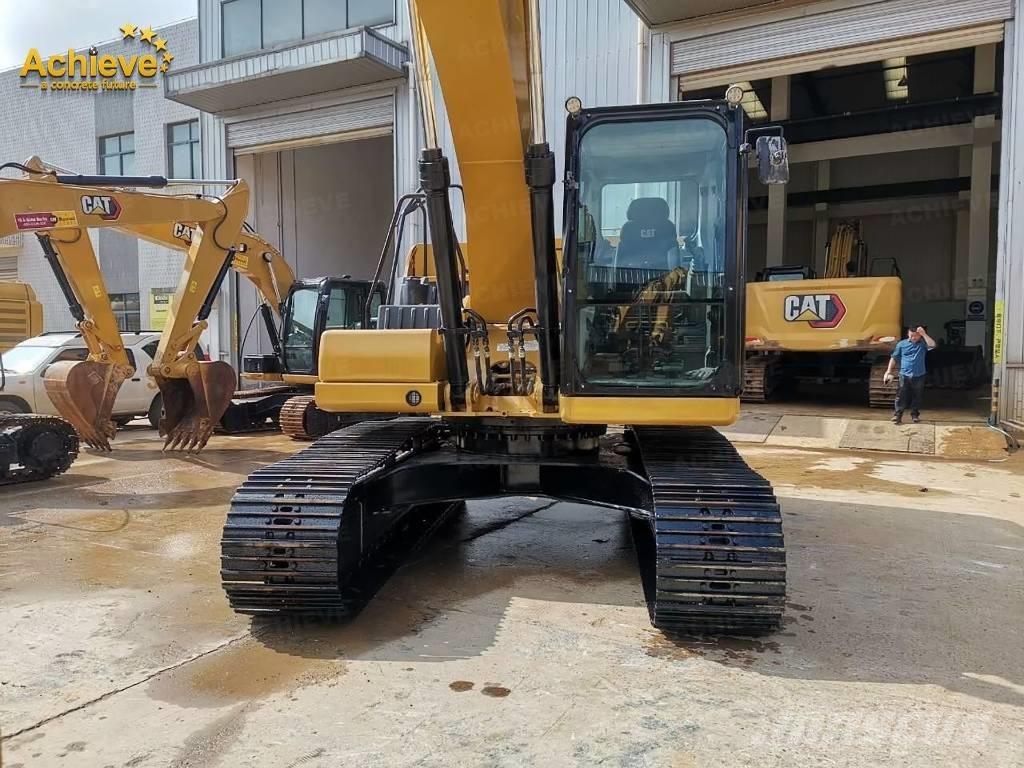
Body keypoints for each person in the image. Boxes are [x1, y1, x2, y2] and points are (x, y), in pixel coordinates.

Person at [883, 325, 937, 424]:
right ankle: (897, 415)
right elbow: (894, 357)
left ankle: (915, 415)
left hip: (919, 375)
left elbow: (933, 345)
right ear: (908, 334)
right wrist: (888, 371)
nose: (913, 337)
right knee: (901, 395)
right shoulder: (901, 344)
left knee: (917, 395)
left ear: (919, 335)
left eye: (916, 335)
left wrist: (924, 334)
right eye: (911, 335)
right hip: (904, 374)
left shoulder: (923, 344)